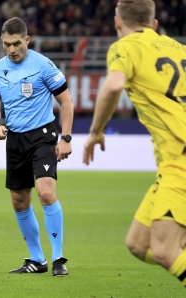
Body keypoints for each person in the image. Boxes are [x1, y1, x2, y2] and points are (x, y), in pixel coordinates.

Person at [83, 0, 186, 287]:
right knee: (139, 244)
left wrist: (95, 131)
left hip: (181, 160)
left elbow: (114, 85)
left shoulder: (124, 47)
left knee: (165, 250)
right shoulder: (179, 49)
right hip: (171, 165)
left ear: (117, 23)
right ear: (154, 24)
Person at [0, 17, 74, 276]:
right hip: (15, 140)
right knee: (19, 201)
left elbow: (66, 102)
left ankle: (58, 258)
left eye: (16, 44)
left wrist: (66, 139)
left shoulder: (43, 65)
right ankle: (37, 260)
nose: (11, 50)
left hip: (43, 136)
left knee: (46, 192)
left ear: (27, 40)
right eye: (6, 45)